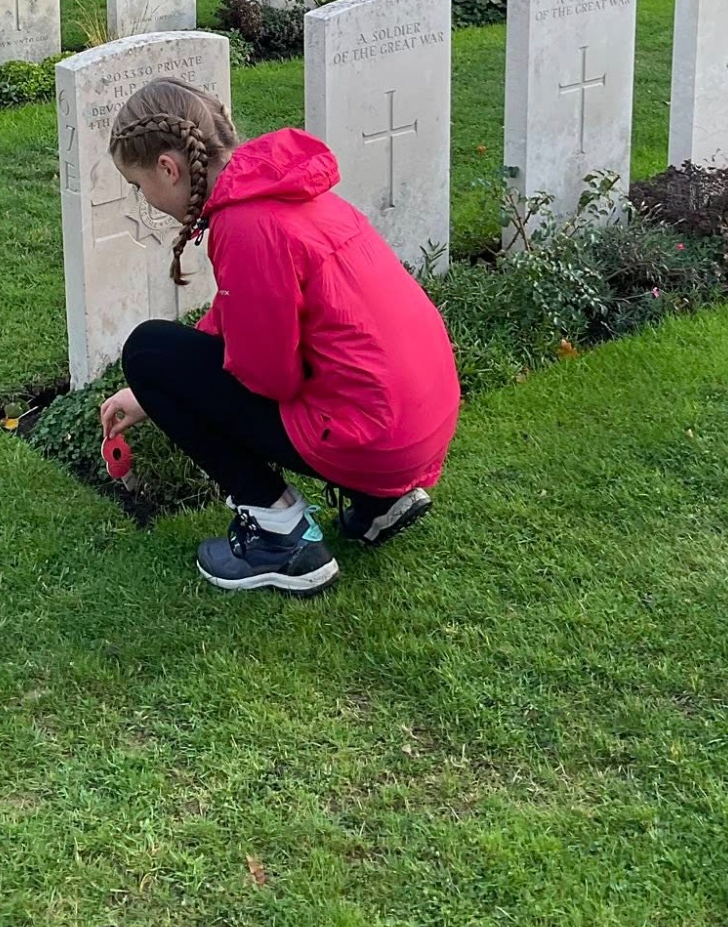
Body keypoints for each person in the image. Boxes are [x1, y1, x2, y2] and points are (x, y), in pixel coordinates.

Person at [98, 78, 460, 598]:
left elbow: (271, 378)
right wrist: (160, 395)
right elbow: (245, 311)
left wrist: (170, 385)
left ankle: (279, 534)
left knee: (149, 350)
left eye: (138, 185)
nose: (144, 198)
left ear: (167, 168)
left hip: (370, 437)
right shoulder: (283, 190)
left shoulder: (245, 225)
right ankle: (380, 503)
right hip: (417, 425)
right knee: (167, 364)